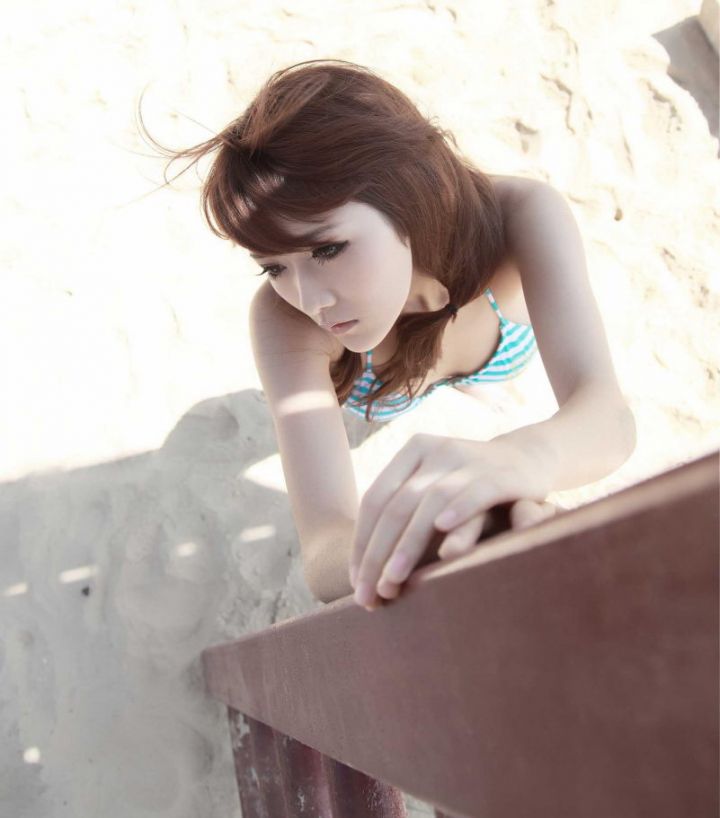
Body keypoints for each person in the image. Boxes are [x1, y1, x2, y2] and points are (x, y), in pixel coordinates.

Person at [140, 58, 636, 611]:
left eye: (327, 249)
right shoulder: (284, 321)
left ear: (407, 197)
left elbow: (607, 416)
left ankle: (468, 384)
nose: (310, 300)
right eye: (273, 267)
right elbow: (325, 547)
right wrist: (412, 539)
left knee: (483, 380)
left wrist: (521, 460)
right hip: (386, 386)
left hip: (494, 355)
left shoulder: (517, 217)